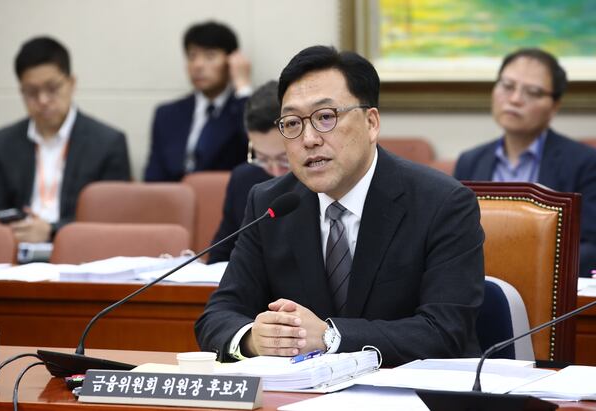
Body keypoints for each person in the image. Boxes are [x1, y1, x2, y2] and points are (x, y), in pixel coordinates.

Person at [196, 46, 485, 367]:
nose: (308, 139)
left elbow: (445, 331)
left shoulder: (442, 202)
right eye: (292, 123)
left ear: (371, 123)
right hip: (302, 391)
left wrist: (331, 337)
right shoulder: (271, 204)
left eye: (325, 117)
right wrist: (254, 338)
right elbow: (218, 315)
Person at [454, 48, 596, 277]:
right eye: (507, 86)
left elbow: (590, 247)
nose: (515, 99)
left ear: (555, 106)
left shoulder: (585, 163)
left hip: (547, 285)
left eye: (533, 92)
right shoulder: (470, 161)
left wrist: (526, 268)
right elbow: (454, 236)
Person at [0, 36, 131, 243]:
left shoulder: (108, 142)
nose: (43, 100)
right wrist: (1, 226)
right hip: (16, 249)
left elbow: (110, 218)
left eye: (52, 88)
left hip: (80, 250)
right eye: (31, 92)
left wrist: (52, 231)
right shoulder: (3, 142)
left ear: (71, 83)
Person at [144, 21, 251, 182]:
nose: (198, 65)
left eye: (210, 56)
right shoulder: (166, 114)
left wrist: (243, 86)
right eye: (192, 56)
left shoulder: (241, 109)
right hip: (174, 195)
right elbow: (153, 178)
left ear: (231, 62)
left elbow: (257, 148)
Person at [207, 80, 290, 263]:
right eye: (263, 158)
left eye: (284, 159)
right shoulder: (243, 179)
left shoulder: (321, 180)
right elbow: (220, 255)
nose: (276, 171)